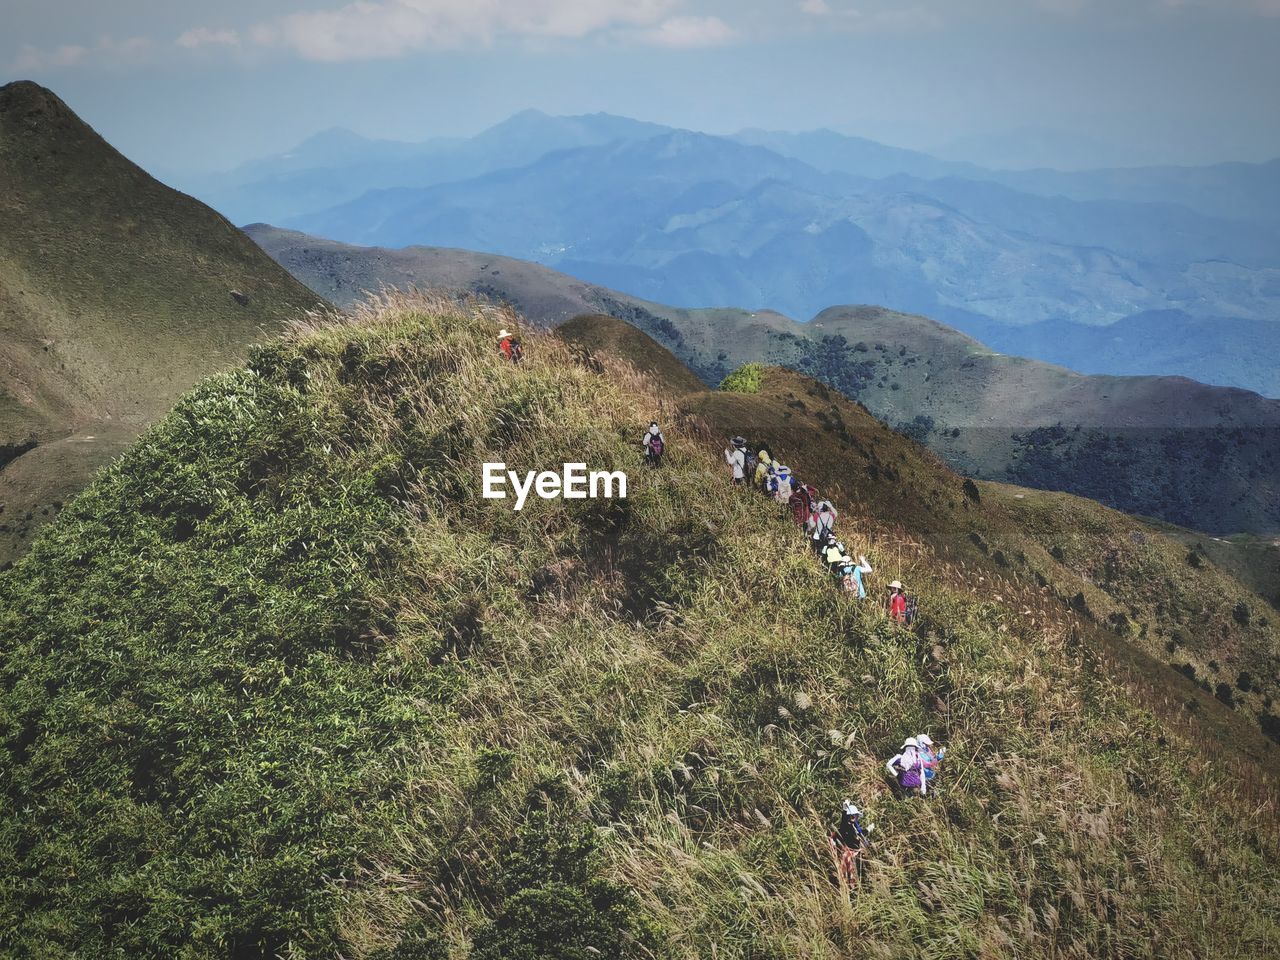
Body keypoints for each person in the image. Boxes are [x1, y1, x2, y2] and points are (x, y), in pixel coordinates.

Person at [829, 800, 874, 886]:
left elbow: (860, 834)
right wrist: (844, 809)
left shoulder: (855, 827)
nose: (854, 817)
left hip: (857, 850)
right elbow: (843, 823)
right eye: (851, 815)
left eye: (855, 815)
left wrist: (868, 829)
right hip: (850, 852)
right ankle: (851, 883)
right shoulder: (846, 826)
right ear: (848, 816)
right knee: (850, 866)